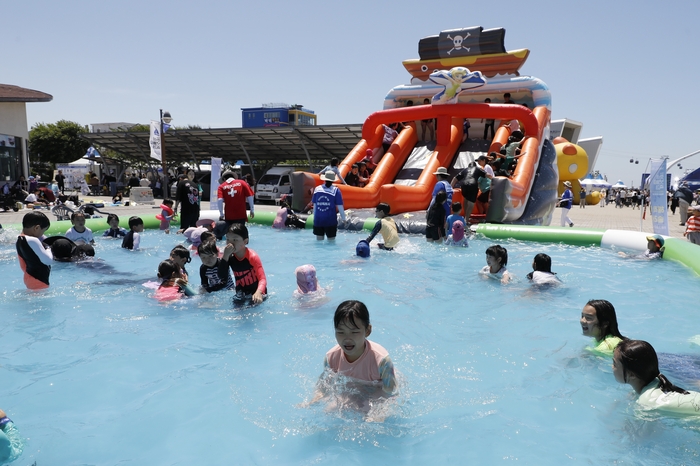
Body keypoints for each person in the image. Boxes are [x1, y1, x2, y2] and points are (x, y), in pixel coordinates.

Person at [308, 300, 397, 408]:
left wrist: (378, 414)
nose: (347, 338)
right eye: (341, 332)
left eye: (354, 332)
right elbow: (324, 385)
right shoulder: (331, 357)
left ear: (368, 331)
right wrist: (314, 400)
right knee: (329, 409)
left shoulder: (382, 360)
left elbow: (390, 393)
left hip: (376, 391)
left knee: (369, 416)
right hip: (352, 389)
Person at [612, 339, 700, 415]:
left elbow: (648, 434)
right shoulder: (657, 381)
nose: (612, 366)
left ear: (631, 375)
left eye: (615, 364)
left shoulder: (646, 403)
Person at [222, 223, 267, 305]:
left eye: (235, 240)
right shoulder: (229, 256)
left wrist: (259, 292)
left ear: (245, 241)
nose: (230, 243)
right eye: (228, 239)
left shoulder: (252, 256)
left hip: (256, 292)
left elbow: (262, 279)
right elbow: (222, 278)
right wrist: (225, 257)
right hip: (240, 293)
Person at [16, 211, 53, 289]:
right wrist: (48, 248)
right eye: (43, 231)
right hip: (39, 280)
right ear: (36, 228)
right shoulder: (32, 240)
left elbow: (23, 265)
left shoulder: (19, 240)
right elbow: (48, 260)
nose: (42, 234)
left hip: (29, 278)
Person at [312, 171, 346, 241]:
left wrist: (314, 218)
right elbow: (340, 206)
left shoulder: (317, 189)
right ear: (333, 181)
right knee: (331, 243)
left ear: (324, 179)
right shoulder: (336, 191)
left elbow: (314, 206)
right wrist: (344, 219)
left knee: (319, 243)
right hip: (330, 221)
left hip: (318, 220)